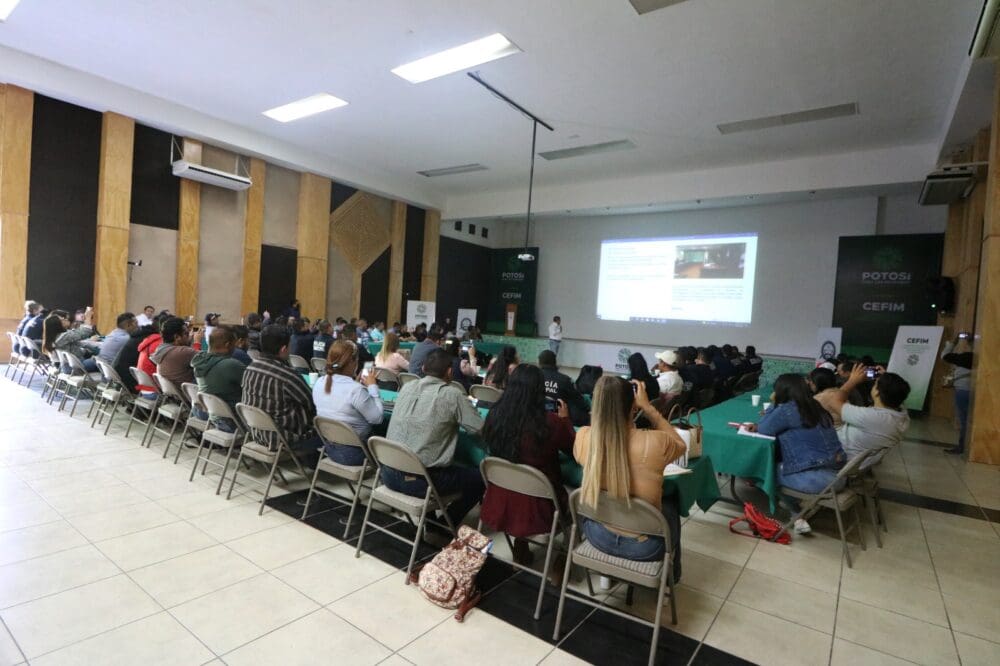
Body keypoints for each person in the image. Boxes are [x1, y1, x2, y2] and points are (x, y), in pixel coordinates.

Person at [574, 376, 686, 577]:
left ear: (595, 405)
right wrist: (648, 408)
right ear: (633, 406)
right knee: (671, 503)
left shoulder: (582, 436)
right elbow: (681, 445)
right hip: (645, 548)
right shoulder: (656, 443)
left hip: (596, 535)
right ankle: (672, 577)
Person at [480, 365, 575, 571]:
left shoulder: (494, 415)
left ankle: (521, 546)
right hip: (540, 508)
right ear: (540, 391)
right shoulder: (550, 423)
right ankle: (561, 564)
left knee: (522, 482)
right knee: (580, 504)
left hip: (500, 501)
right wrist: (565, 420)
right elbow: (573, 449)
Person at [382, 349, 485, 531]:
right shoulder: (453, 394)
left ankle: (430, 521)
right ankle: (444, 525)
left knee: (430, 462)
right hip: (422, 482)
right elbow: (479, 429)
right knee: (481, 477)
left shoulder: (407, 387)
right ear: (449, 372)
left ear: (423, 368)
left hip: (388, 473)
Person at [747, 373, 845, 534]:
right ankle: (798, 515)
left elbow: (764, 428)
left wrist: (774, 403)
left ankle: (796, 513)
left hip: (818, 480)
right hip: (839, 474)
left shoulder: (787, 409)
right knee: (780, 465)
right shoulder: (815, 405)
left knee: (765, 470)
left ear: (781, 392)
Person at [241, 324, 321, 462]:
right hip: (285, 439)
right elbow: (312, 403)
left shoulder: (250, 368)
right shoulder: (287, 375)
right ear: (283, 349)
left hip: (257, 433)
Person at [312, 339, 384, 465]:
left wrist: (355, 383)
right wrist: (372, 387)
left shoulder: (319, 382)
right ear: (352, 362)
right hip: (356, 453)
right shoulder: (355, 390)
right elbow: (377, 419)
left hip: (329, 447)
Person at [825, 364, 911, 468]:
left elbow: (833, 402)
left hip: (838, 455)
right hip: (859, 460)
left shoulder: (870, 417)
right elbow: (897, 393)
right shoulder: (902, 417)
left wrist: (852, 380)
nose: (873, 385)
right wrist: (885, 378)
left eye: (875, 385)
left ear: (877, 393)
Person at [191, 327, 248, 432]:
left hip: (211, 416)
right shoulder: (231, 365)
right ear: (227, 345)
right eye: (234, 345)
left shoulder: (200, 361)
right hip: (232, 422)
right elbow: (254, 386)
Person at [538, 350, 590, 427]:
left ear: (539, 363)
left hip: (538, 415)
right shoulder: (564, 380)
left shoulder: (533, 378)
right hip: (560, 418)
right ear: (555, 362)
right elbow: (578, 400)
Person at [940, 334, 973, 455]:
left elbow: (944, 355)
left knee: (964, 420)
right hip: (975, 391)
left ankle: (962, 447)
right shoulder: (981, 358)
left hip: (963, 391)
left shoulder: (965, 357)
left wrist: (954, 341)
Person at [150, 317, 203, 386]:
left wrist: (187, 341)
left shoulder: (162, 349)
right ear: (177, 337)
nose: (189, 336)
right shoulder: (183, 352)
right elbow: (206, 360)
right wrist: (197, 342)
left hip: (172, 391)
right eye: (186, 334)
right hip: (187, 392)